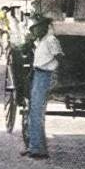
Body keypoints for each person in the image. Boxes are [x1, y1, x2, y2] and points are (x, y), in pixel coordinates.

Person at [22, 15, 63, 159]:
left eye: (37, 28)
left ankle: (38, 149)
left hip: (46, 76)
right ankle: (34, 146)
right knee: (34, 112)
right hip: (38, 74)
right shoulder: (41, 41)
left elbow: (59, 58)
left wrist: (56, 77)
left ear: (45, 27)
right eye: (34, 29)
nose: (35, 31)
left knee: (37, 112)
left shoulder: (51, 40)